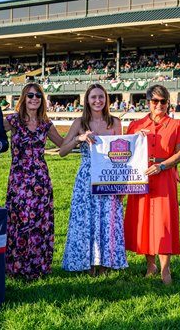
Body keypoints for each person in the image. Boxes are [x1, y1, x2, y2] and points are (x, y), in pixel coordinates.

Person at [60, 83, 128, 275]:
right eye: (93, 97)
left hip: (109, 176)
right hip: (86, 178)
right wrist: (79, 139)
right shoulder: (79, 123)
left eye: (101, 97)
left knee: (108, 219)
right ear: (87, 101)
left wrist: (121, 185)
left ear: (106, 99)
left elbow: (121, 155)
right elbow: (62, 151)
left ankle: (106, 264)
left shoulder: (114, 122)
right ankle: (88, 264)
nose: (97, 100)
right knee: (86, 220)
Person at [125, 84, 180, 284]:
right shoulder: (136, 125)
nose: (159, 105)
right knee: (145, 222)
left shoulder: (176, 126)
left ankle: (165, 269)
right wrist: (136, 138)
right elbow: (125, 152)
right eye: (155, 101)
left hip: (164, 178)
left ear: (168, 103)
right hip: (141, 179)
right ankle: (149, 265)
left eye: (163, 101)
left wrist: (162, 166)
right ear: (148, 103)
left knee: (164, 223)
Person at [3, 83, 63, 279]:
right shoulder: (13, 120)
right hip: (18, 178)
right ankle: (15, 267)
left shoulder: (46, 124)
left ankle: (38, 267)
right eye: (30, 95)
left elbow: (63, 145)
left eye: (38, 95)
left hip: (40, 179)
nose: (34, 98)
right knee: (18, 220)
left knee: (38, 222)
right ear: (23, 98)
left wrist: (80, 137)